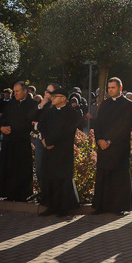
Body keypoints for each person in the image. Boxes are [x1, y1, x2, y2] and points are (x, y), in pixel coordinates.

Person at [92, 77, 132, 215]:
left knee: (118, 177)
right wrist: (99, 139)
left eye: (113, 88)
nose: (110, 90)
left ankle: (119, 207)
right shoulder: (104, 103)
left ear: (120, 88)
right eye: (109, 88)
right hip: (103, 147)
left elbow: (125, 127)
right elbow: (97, 124)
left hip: (118, 147)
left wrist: (110, 141)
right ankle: (100, 206)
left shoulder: (129, 104)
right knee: (103, 176)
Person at [37, 88, 83, 217]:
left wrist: (51, 141)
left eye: (55, 96)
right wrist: (45, 139)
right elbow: (42, 125)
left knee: (62, 178)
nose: (52, 98)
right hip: (50, 150)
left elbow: (67, 132)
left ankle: (64, 208)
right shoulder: (50, 111)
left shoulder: (72, 113)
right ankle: (51, 206)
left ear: (63, 98)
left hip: (63, 151)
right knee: (50, 178)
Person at [0, 81, 38, 202]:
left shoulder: (32, 104)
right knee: (9, 167)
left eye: (18, 91)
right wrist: (2, 127)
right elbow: (2, 118)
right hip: (9, 141)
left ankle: (22, 195)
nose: (15, 94)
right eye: (14, 91)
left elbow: (31, 122)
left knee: (21, 169)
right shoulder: (12, 103)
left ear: (25, 91)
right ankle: (9, 193)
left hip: (22, 141)